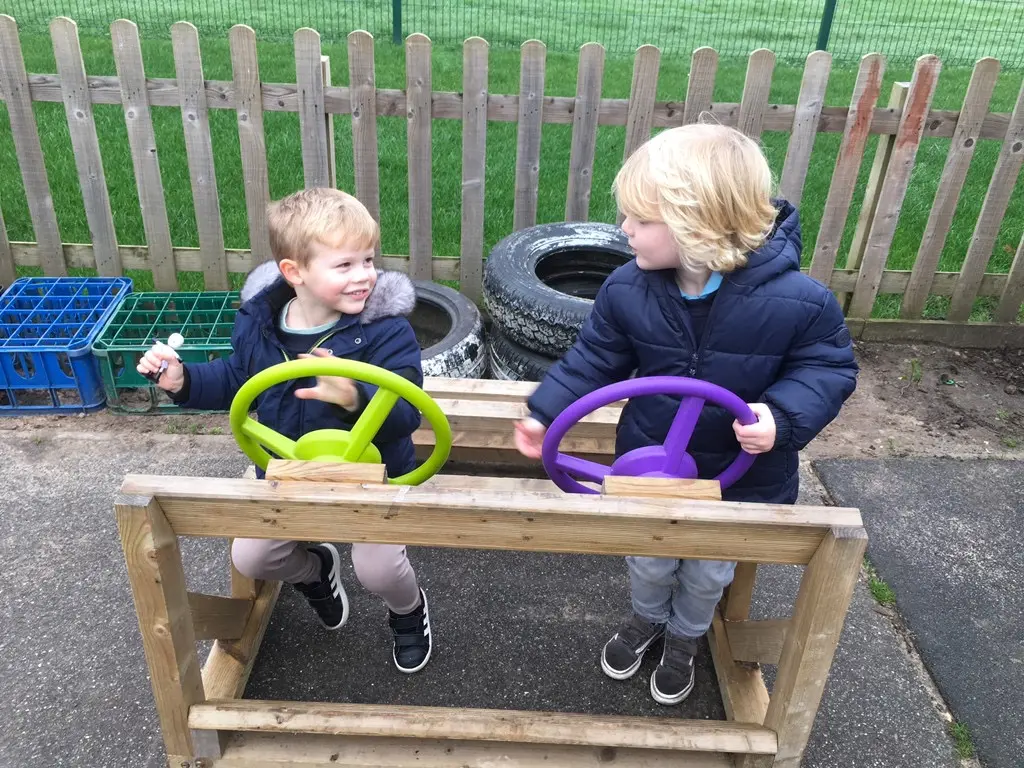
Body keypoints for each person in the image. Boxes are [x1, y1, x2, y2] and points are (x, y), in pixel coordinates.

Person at [513, 122, 858, 705]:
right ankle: (648, 618)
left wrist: (780, 418)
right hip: (652, 467)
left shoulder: (800, 301)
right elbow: (593, 360)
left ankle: (685, 637)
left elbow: (828, 370)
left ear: (696, 225)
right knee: (649, 558)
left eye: (640, 220)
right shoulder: (628, 289)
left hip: (741, 478)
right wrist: (546, 412)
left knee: (706, 573)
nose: (624, 231)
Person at [137, 188, 433, 674]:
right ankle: (315, 571)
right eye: (345, 265)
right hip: (286, 472)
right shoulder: (259, 325)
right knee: (253, 556)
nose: (364, 275)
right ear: (294, 272)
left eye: (369, 259)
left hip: (373, 477)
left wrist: (355, 396)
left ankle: (408, 611)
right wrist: (182, 379)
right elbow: (237, 380)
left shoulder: (386, 332)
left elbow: (407, 413)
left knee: (379, 569)